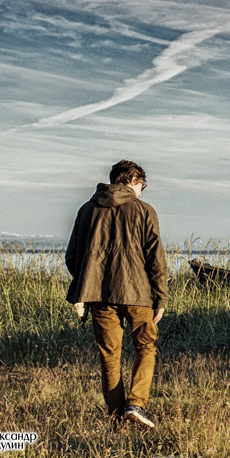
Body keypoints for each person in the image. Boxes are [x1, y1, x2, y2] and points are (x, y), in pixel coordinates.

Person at [65, 160, 168, 429]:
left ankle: (116, 420)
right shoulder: (144, 210)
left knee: (109, 356)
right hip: (138, 294)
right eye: (142, 185)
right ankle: (135, 406)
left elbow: (73, 257)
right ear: (133, 181)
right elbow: (155, 258)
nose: (142, 191)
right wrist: (161, 298)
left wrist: (86, 283)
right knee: (146, 347)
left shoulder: (87, 209)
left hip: (98, 294)